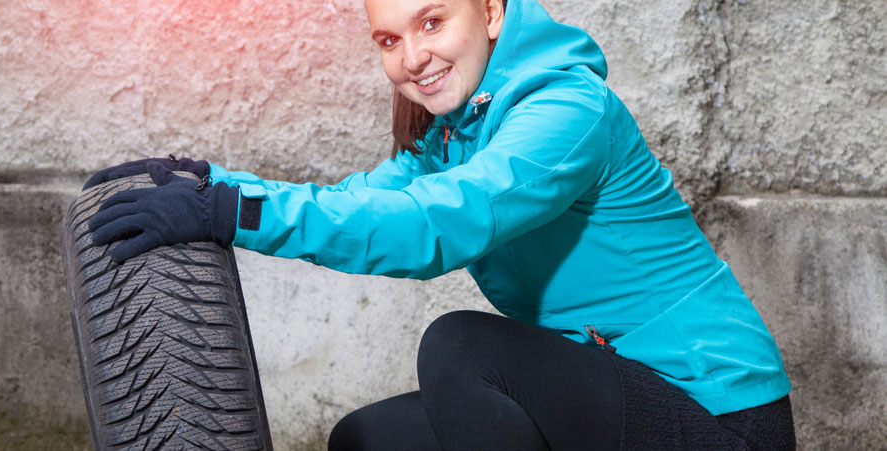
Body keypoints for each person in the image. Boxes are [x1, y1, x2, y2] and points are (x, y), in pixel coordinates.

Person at [83, 0, 795, 448]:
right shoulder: (457, 136)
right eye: (388, 39)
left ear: (489, 12)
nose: (412, 57)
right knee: (364, 438)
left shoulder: (567, 113)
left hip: (717, 417)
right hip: (612, 391)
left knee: (460, 347)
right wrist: (214, 182)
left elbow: (441, 222)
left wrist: (231, 215)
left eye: (431, 22)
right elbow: (362, 198)